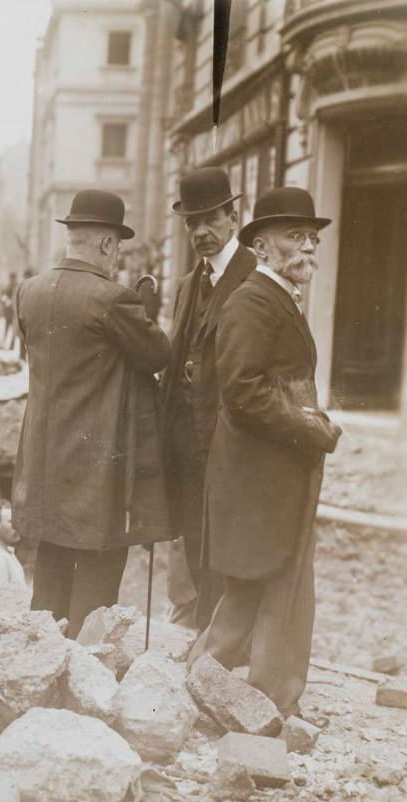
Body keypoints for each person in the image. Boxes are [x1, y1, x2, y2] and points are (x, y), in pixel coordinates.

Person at [190, 187, 342, 713]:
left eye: (313, 239)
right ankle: (268, 699)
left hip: (274, 467)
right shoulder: (253, 301)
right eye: (295, 238)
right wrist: (308, 428)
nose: (308, 250)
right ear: (261, 246)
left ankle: (215, 683)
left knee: (265, 580)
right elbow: (243, 391)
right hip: (260, 469)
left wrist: (310, 422)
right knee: (272, 579)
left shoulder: (276, 298)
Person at [13, 189, 173, 637]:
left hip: (44, 461)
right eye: (117, 247)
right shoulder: (112, 299)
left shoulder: (29, 291)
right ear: (106, 244)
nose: (117, 256)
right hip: (96, 467)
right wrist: (142, 307)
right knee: (98, 580)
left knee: (49, 579)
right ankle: (85, 671)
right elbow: (157, 354)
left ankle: (35, 661)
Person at [160, 167, 258, 630]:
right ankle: (194, 632)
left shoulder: (256, 278)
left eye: (210, 220)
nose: (200, 232)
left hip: (232, 442)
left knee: (227, 548)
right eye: (191, 223)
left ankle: (218, 644)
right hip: (187, 442)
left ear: (233, 217)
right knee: (191, 540)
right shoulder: (186, 285)